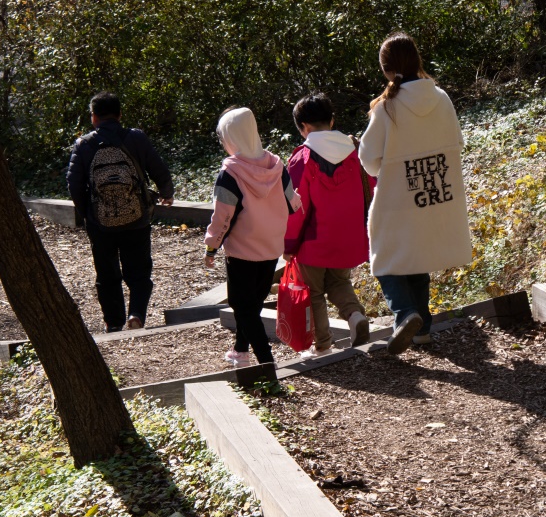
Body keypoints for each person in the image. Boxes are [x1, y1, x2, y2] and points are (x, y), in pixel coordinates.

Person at [357, 33, 473, 355]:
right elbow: (456, 143)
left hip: (396, 200)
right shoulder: (442, 98)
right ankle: (422, 330)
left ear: (386, 68)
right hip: (436, 194)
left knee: (385, 259)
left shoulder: (387, 108)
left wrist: (389, 165)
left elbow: (368, 159)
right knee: (417, 256)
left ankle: (405, 313)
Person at [67, 91, 175, 331]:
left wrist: (88, 214)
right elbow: (158, 168)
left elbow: (74, 184)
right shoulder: (136, 138)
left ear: (94, 117)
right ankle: (136, 314)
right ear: (119, 115)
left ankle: (114, 323)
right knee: (139, 271)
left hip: (100, 223)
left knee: (106, 275)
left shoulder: (84, 145)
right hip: (136, 218)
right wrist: (166, 193)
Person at [284, 92, 374, 354]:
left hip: (313, 240)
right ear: (331, 121)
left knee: (313, 292)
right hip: (349, 236)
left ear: (303, 127)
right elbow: (372, 187)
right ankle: (355, 316)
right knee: (339, 283)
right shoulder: (356, 151)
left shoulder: (302, 159)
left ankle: (323, 345)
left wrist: (288, 244)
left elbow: (295, 207)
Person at [203, 107, 294, 367]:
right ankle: (240, 351)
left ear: (231, 137)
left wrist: (211, 246)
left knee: (242, 306)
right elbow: (292, 202)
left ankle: (266, 363)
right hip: (271, 247)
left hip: (242, 250)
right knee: (253, 303)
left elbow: (223, 217)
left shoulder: (230, 173)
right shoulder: (277, 166)